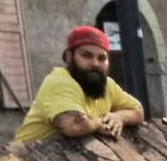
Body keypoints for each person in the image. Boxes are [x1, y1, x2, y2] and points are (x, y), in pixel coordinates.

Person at [14, 26, 143, 143]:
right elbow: (73, 125)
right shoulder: (60, 81)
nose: (95, 64)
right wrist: (100, 123)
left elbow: (138, 110)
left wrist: (119, 117)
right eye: (87, 56)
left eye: (101, 58)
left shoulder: (107, 84)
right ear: (69, 56)